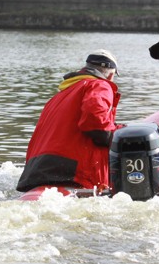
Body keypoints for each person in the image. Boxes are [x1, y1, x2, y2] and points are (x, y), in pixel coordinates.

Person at [16, 50, 122, 193]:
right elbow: (96, 123)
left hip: (36, 171)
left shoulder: (59, 96)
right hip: (72, 173)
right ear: (110, 75)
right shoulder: (100, 85)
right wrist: (119, 135)